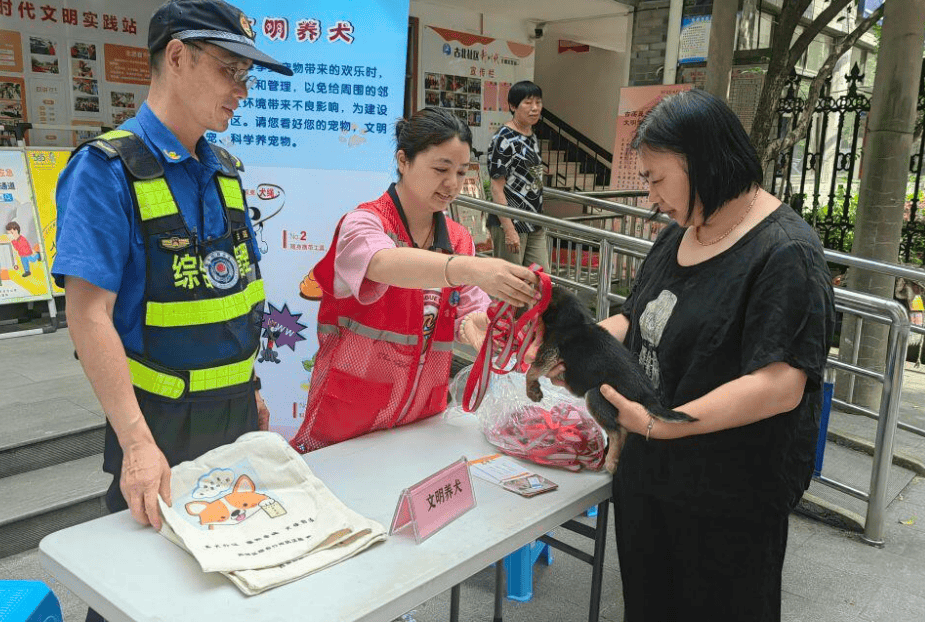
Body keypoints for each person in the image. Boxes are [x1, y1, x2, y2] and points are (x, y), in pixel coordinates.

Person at [542, 89, 835, 621]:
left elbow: (780, 382)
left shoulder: (785, 252)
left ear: (703, 160)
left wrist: (663, 424)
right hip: (651, 480)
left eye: (656, 178)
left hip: (727, 498)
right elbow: (634, 320)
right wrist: (569, 350)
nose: (651, 197)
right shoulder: (678, 235)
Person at [53, 0, 293, 545]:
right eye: (229, 70)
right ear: (178, 56)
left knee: (230, 570)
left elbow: (230, 295)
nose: (241, 89)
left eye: (247, 75)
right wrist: (135, 441)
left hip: (235, 418)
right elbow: (89, 316)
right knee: (142, 593)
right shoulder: (105, 169)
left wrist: (247, 384)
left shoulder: (224, 169)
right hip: (158, 425)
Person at [290, 107, 540, 454]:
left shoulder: (458, 238)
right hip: (348, 415)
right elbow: (382, 263)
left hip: (422, 416)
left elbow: (466, 311)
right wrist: (469, 268)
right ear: (403, 161)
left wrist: (480, 324)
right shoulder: (363, 224)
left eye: (461, 171)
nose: (452, 184)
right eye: (441, 169)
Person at [486, 80, 549, 271]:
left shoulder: (531, 135)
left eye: (538, 103)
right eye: (528, 103)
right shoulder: (503, 139)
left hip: (534, 222)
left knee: (541, 280)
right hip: (511, 223)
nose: (535, 108)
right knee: (511, 284)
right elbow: (496, 188)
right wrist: (509, 229)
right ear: (513, 106)